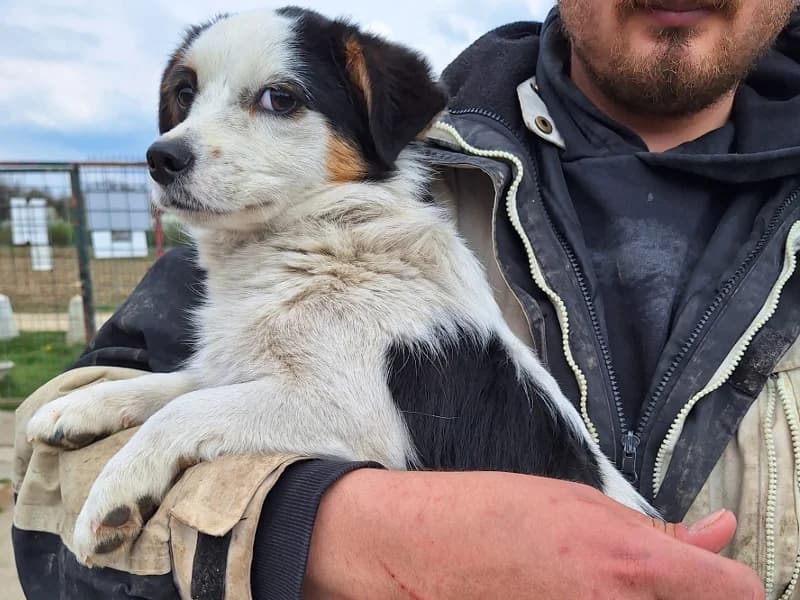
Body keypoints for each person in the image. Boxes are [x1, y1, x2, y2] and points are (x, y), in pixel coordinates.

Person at [12, 1, 800, 598]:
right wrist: (320, 530)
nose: (181, 137)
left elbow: (326, 397)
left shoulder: (387, 246)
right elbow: (50, 505)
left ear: (374, 116)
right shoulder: (262, 227)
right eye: (187, 96)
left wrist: (178, 421)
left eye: (278, 100)